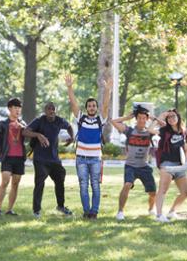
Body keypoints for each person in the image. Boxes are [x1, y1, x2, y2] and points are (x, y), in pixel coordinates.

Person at [65, 74, 112, 219]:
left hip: (95, 160)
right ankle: (87, 212)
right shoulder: (81, 119)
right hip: (81, 159)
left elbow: (105, 105)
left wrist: (107, 90)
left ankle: (94, 211)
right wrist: (70, 87)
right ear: (86, 108)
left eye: (94, 106)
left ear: (96, 108)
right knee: (83, 186)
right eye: (89, 106)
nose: (92, 107)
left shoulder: (100, 120)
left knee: (96, 187)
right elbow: (73, 104)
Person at [22, 102, 75, 218]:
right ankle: (36, 210)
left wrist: (72, 137)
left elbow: (69, 126)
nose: (51, 111)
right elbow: (25, 131)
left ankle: (60, 206)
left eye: (53, 109)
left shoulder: (59, 120)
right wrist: (38, 135)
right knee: (39, 183)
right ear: (45, 111)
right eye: (49, 109)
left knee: (60, 179)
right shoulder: (39, 121)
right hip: (40, 159)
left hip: (54, 159)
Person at [111, 105, 156, 221]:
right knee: (127, 185)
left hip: (144, 166)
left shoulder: (149, 132)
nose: (141, 120)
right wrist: (127, 117)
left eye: (144, 118)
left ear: (146, 119)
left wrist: (151, 117)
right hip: (130, 166)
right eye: (139, 118)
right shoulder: (130, 131)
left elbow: (163, 125)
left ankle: (151, 209)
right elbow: (113, 121)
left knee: (153, 192)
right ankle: (120, 212)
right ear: (136, 119)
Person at [147, 109, 187, 223]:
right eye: (169, 117)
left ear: (178, 117)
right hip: (167, 164)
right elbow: (150, 129)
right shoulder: (164, 130)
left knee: (185, 192)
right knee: (163, 190)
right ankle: (159, 215)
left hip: (180, 164)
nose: (171, 118)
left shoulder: (183, 132)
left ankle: (172, 212)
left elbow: (186, 149)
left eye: (173, 116)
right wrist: (160, 116)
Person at [0, 98, 26, 216]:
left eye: (19, 108)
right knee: (5, 181)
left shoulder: (22, 124)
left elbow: (29, 133)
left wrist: (22, 127)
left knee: (16, 183)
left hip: (19, 157)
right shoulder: (3, 124)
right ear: (9, 109)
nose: (17, 110)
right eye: (15, 108)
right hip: (7, 157)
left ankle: (9, 209)